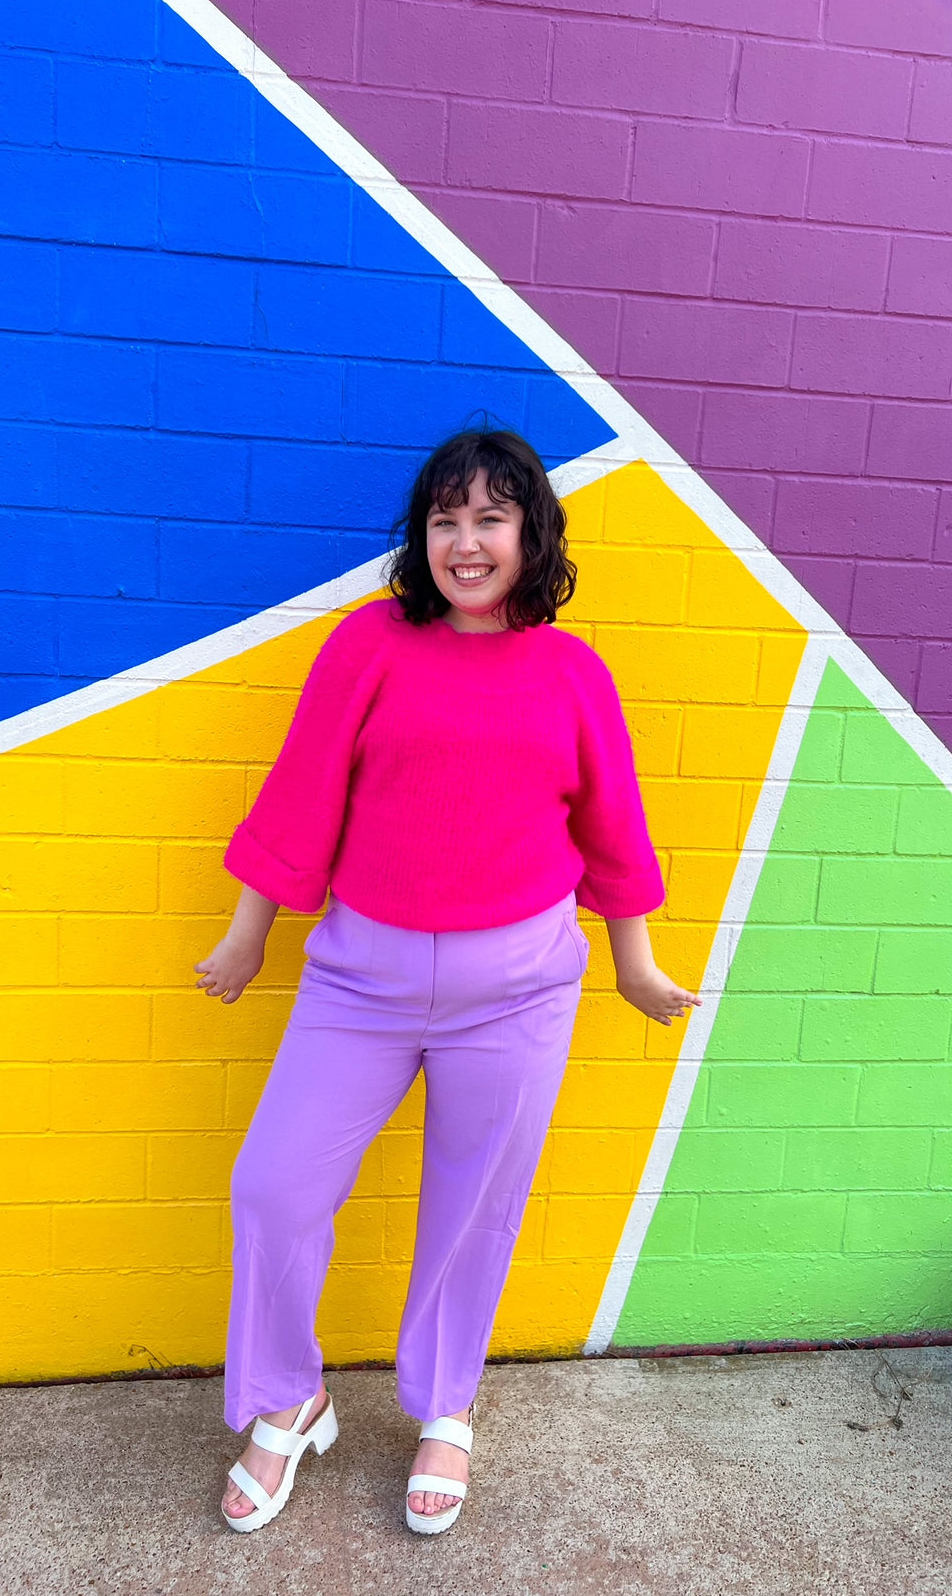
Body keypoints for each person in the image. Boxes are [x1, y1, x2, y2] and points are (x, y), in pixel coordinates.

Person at [193, 429, 701, 1535]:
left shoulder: (573, 673)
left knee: (473, 1208)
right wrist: (247, 935)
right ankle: (286, 1399)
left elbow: (613, 827)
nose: (466, 543)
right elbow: (301, 796)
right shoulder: (368, 646)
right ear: (422, 537)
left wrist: (636, 963)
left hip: (518, 991)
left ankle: (446, 1408)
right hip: (358, 982)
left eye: (490, 519)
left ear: (532, 534)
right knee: (273, 1186)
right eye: (445, 520)